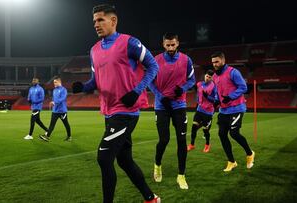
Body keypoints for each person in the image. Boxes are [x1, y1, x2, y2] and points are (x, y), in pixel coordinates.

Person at [71, 4, 160, 203]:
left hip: (126, 112)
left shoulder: (130, 43)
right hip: (109, 112)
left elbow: (153, 66)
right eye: (94, 21)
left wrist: (137, 91)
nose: (96, 24)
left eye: (100, 20)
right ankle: (151, 198)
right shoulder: (93, 50)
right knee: (125, 161)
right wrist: (82, 87)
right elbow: (95, 81)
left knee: (104, 158)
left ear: (113, 21)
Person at [148, 32, 195, 189]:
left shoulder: (186, 60)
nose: (170, 48)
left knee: (181, 141)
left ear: (178, 43)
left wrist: (181, 89)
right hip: (162, 106)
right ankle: (157, 165)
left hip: (179, 105)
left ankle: (181, 175)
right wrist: (160, 96)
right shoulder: (156, 61)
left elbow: (192, 80)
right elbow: (150, 82)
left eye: (173, 44)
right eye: (167, 45)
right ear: (163, 44)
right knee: (164, 140)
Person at [211, 51, 255, 172]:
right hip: (224, 110)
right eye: (213, 62)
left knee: (234, 133)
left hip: (237, 108)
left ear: (223, 60)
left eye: (217, 61)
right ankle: (231, 161)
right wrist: (216, 100)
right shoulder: (214, 77)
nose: (215, 64)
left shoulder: (233, 72)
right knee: (222, 134)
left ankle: (250, 153)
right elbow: (217, 93)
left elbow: (243, 87)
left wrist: (230, 96)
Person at [187, 70, 218, 153]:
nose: (207, 78)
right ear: (205, 75)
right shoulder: (199, 84)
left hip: (208, 112)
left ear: (212, 78)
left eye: (209, 77)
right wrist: (198, 100)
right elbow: (198, 94)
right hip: (199, 110)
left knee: (205, 130)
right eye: (207, 76)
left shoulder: (214, 87)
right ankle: (192, 145)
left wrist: (207, 96)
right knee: (194, 128)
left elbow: (215, 100)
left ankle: (207, 145)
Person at [39, 77, 71, 142]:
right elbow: (54, 99)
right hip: (55, 111)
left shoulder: (63, 90)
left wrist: (54, 102)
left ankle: (69, 136)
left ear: (59, 82)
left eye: (55, 82)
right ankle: (47, 136)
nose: (54, 83)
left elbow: (63, 99)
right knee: (52, 124)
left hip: (62, 111)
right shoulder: (54, 90)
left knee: (66, 124)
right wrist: (52, 102)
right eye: (54, 82)